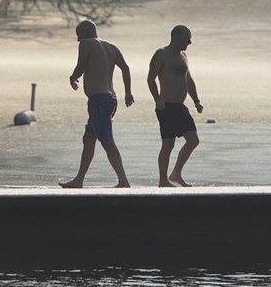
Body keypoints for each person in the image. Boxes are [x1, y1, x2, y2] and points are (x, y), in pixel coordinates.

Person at [59, 20, 134, 188]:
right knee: (89, 138)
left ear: (85, 32)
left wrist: (73, 77)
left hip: (99, 100)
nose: (78, 40)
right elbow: (126, 68)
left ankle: (123, 181)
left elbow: (81, 64)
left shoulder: (86, 44)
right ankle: (79, 180)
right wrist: (128, 92)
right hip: (110, 99)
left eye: (78, 35)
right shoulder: (111, 47)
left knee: (107, 140)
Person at [147, 25, 203, 187]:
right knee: (168, 143)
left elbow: (189, 80)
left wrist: (196, 101)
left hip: (180, 107)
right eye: (187, 38)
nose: (190, 42)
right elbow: (150, 79)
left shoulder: (183, 55)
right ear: (177, 36)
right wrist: (157, 99)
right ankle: (163, 180)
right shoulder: (161, 54)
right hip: (167, 107)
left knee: (193, 140)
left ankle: (176, 174)